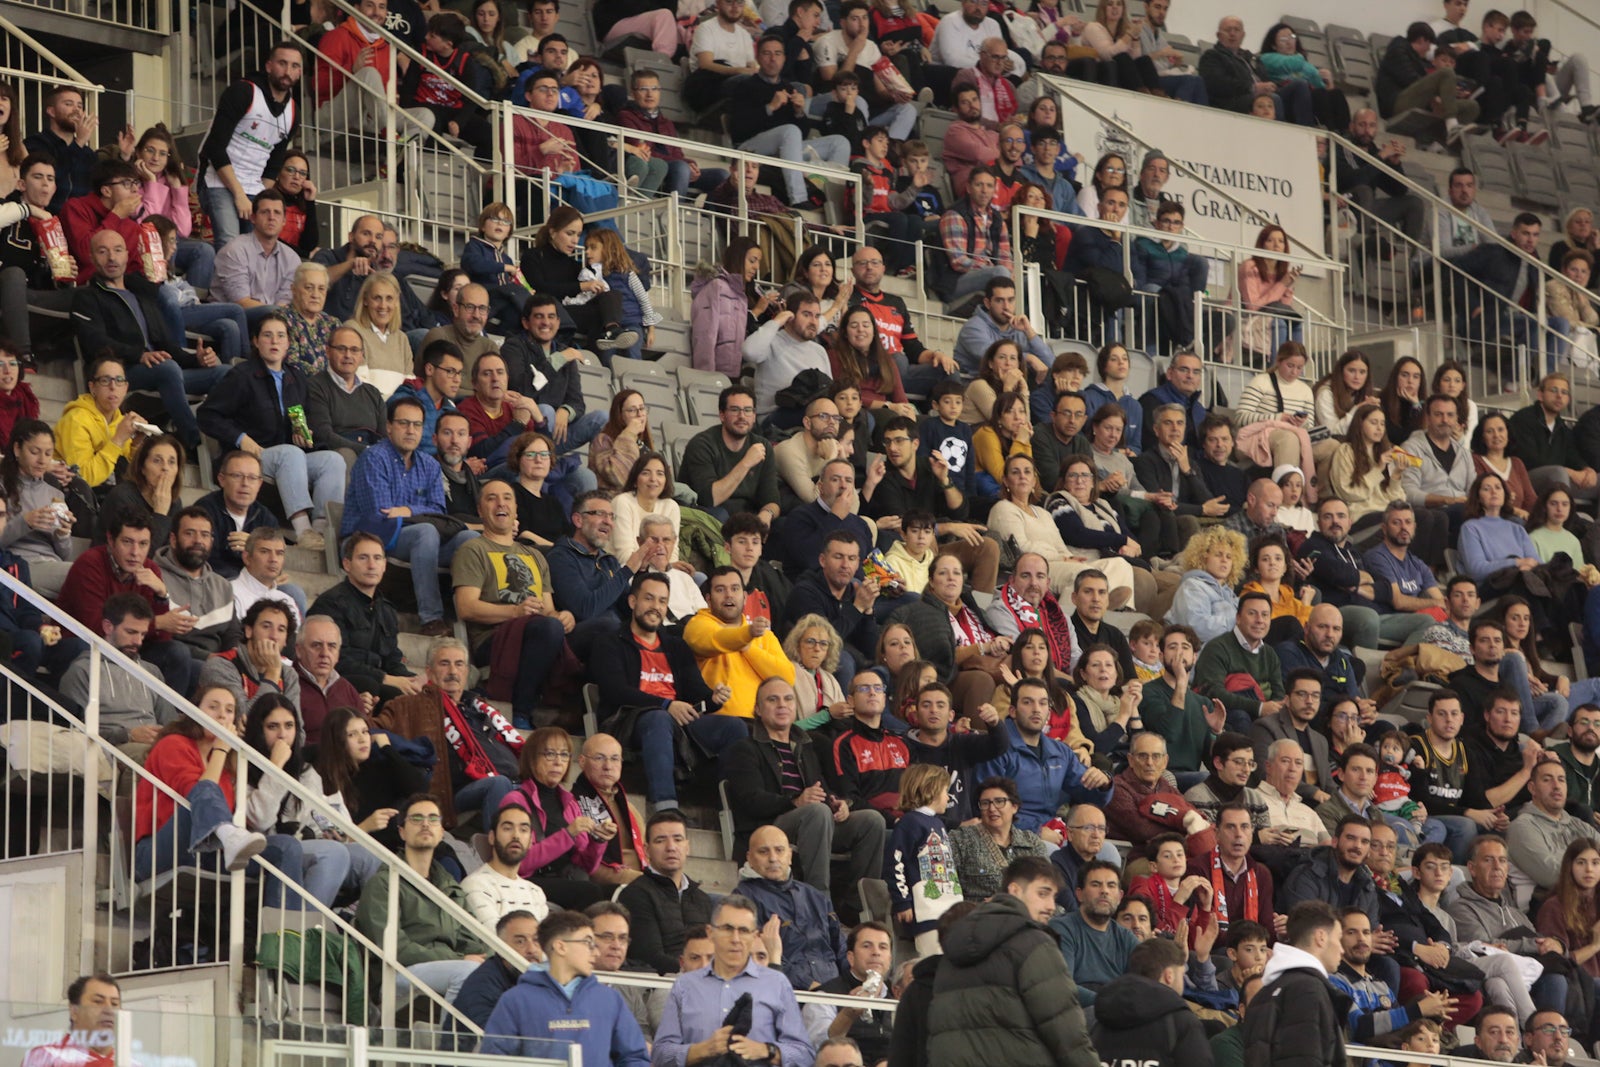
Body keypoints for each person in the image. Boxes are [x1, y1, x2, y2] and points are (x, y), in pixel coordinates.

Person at [925, 855, 1099, 1067]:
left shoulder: (955, 945)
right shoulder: (1034, 943)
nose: (1051, 906)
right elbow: (1065, 1029)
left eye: (1053, 897)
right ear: (1015, 890)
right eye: (1042, 894)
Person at [198, 313, 346, 551]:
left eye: (280, 336)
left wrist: (304, 434)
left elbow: (304, 416)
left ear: (288, 343)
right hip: (249, 456)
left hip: (288, 458)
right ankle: (302, 530)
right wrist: (241, 438)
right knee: (290, 454)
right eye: (267, 336)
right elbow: (207, 415)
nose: (274, 342)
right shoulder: (242, 375)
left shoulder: (296, 377)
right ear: (256, 341)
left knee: (333, 460)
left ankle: (321, 530)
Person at [69, 235, 215, 454]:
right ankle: (193, 443)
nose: (111, 258)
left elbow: (168, 346)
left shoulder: (142, 295)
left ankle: (222, 445)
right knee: (167, 368)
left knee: (226, 373)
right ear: (91, 257)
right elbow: (94, 343)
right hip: (122, 372)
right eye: (102, 251)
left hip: (163, 371)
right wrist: (138, 355)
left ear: (127, 255)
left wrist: (197, 358)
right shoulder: (87, 297)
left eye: (118, 250)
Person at [372, 638, 520, 830]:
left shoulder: (479, 707)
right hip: (453, 794)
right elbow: (370, 729)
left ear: (466, 672)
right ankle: (501, 856)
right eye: (444, 664)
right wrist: (366, 710)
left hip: (513, 782)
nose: (452, 671)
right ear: (428, 671)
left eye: (459, 664)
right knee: (499, 784)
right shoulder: (409, 706)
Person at [650, 893, 812, 1067]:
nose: (735, 939)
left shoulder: (777, 984)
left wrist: (767, 1050)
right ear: (710, 933)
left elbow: (804, 1054)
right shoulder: (685, 985)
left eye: (743, 931)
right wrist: (703, 1049)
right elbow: (660, 1054)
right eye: (727, 929)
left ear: (754, 936)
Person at [355, 793, 487, 1004]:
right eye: (416, 819)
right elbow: (395, 948)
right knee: (467, 972)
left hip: (451, 969)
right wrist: (458, 959)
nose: (426, 824)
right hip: (397, 975)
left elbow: (472, 940)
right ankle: (451, 1038)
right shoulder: (384, 883)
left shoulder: (450, 887)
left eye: (433, 819)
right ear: (402, 832)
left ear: (441, 832)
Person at [477, 909, 649, 1062]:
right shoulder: (515, 1000)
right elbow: (496, 1060)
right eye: (588, 943)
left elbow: (634, 1056)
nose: (595, 952)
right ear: (560, 947)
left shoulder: (610, 998)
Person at [58, 508, 197, 695]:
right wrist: (156, 623)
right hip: (83, 644)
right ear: (110, 540)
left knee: (178, 653)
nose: (135, 552)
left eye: (143, 544)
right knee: (84, 648)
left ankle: (167, 719)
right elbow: (95, 626)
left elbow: (161, 639)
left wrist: (162, 594)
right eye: (127, 542)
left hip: (129, 646)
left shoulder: (150, 570)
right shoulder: (89, 564)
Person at [196, 44, 302, 248]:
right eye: (282, 63)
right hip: (217, 180)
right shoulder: (243, 91)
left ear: (300, 72)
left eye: (294, 66)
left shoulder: (293, 111)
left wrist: (260, 196)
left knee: (256, 247)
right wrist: (239, 194)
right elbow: (215, 149)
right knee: (230, 243)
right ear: (269, 66)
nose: (288, 71)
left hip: (254, 186)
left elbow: (274, 163)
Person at [976, 676, 1112, 833]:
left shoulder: (1061, 751)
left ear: (1049, 711)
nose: (1036, 709)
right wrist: (1036, 831)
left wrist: (1103, 784)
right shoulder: (996, 748)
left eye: (1042, 703)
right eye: (1027, 702)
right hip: (1011, 835)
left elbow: (1091, 796)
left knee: (1108, 852)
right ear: (1012, 711)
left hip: (1053, 829)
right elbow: (989, 807)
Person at [307, 530, 417, 703]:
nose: (372, 565)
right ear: (347, 564)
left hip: (377, 681)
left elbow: (392, 659)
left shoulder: (386, 609)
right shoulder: (330, 604)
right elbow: (337, 660)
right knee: (376, 688)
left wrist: (413, 680)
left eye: (377, 558)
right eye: (363, 558)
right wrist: (385, 678)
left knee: (425, 693)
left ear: (384, 565)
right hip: (339, 680)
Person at [737, 823, 848, 992]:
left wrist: (851, 983)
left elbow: (841, 947)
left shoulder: (816, 897)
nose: (773, 858)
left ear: (790, 856)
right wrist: (809, 985)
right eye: (763, 851)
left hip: (833, 992)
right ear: (750, 858)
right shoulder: (742, 899)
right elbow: (758, 954)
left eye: (779, 850)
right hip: (788, 992)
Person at [680, 387, 781, 525]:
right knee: (720, 515)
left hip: (747, 519)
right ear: (722, 415)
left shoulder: (762, 446)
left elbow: (772, 499)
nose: (742, 416)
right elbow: (710, 499)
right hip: (708, 517)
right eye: (734, 410)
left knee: (786, 524)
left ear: (754, 416)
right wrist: (746, 463)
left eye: (747, 410)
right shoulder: (701, 445)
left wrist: (766, 514)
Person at [1049, 859, 1141, 1006]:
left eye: (1111, 885)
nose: (1104, 891)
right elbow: (1063, 986)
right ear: (1079, 894)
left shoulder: (1126, 937)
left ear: (1119, 897)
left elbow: (1148, 983)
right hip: (1077, 1011)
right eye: (1096, 884)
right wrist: (1111, 1003)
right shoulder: (1061, 928)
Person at [1191, 592, 1285, 732]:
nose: (1259, 620)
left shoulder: (1269, 653)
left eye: (1265, 615)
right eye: (1252, 613)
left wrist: (1272, 707)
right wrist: (1259, 708)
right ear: (1238, 618)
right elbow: (1213, 691)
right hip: (1221, 718)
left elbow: (1279, 693)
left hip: (1262, 715)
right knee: (1240, 717)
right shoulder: (1217, 648)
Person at [1505, 760, 1600, 899]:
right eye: (1547, 780)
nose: (1556, 786)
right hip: (1550, 903)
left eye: (1561, 780)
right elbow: (1550, 875)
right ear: (1532, 788)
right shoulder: (1522, 827)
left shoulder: (1580, 825)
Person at [950, 776, 1050, 900]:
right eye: (985, 803)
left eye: (999, 801)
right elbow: (950, 891)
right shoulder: (960, 840)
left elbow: (1046, 885)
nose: (992, 809)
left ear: (1014, 806)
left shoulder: (1032, 842)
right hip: (981, 915)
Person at [197, 596, 300, 714]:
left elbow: (297, 729)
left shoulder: (289, 675)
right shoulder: (220, 666)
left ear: (286, 640)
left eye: (281, 630)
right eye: (266, 626)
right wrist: (272, 675)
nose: (274, 636)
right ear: (248, 631)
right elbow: (243, 718)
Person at [1509, 373, 1599, 501]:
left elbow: (1572, 455)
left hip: (1559, 478)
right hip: (1526, 479)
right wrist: (1569, 472)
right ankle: (1566, 519)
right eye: (1554, 390)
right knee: (1558, 473)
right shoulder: (1523, 419)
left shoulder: (1562, 427)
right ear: (1540, 395)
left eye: (1564, 392)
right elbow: (1530, 459)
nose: (1559, 396)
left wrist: (1587, 469)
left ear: (1568, 399)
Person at [937, 166, 1013, 306]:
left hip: (993, 273)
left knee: (1034, 283)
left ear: (994, 190)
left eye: (989, 186)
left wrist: (1009, 275)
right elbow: (958, 261)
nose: (984, 190)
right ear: (969, 188)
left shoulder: (997, 219)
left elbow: (1005, 257)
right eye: (979, 185)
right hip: (956, 280)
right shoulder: (955, 215)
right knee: (1000, 273)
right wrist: (993, 271)